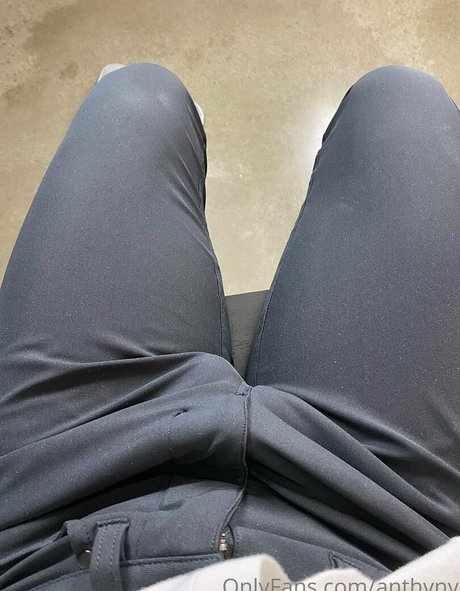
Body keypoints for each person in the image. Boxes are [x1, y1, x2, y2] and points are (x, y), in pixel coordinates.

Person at [0, 63, 458, 591]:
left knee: (137, 95)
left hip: (53, 515)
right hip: (383, 527)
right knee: (403, 101)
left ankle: (173, 129)